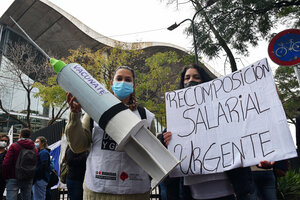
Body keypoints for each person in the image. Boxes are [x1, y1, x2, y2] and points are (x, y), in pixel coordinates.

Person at [65, 66, 156, 199]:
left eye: (127, 79)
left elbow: (153, 153)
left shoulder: (146, 116)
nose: (123, 82)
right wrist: (75, 115)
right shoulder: (93, 112)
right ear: (112, 84)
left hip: (135, 192)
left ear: (134, 85)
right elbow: (78, 146)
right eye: (119, 79)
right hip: (97, 192)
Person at [2, 128, 38, 200]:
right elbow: (36, 162)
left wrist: (5, 176)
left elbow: (6, 163)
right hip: (28, 177)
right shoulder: (34, 148)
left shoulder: (14, 146)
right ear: (29, 136)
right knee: (27, 197)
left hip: (13, 176)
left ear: (20, 135)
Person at [0, 134, 9, 199]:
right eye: (2, 140)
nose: (4, 142)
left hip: (2, 178)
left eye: (6, 141)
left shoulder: (8, 153)